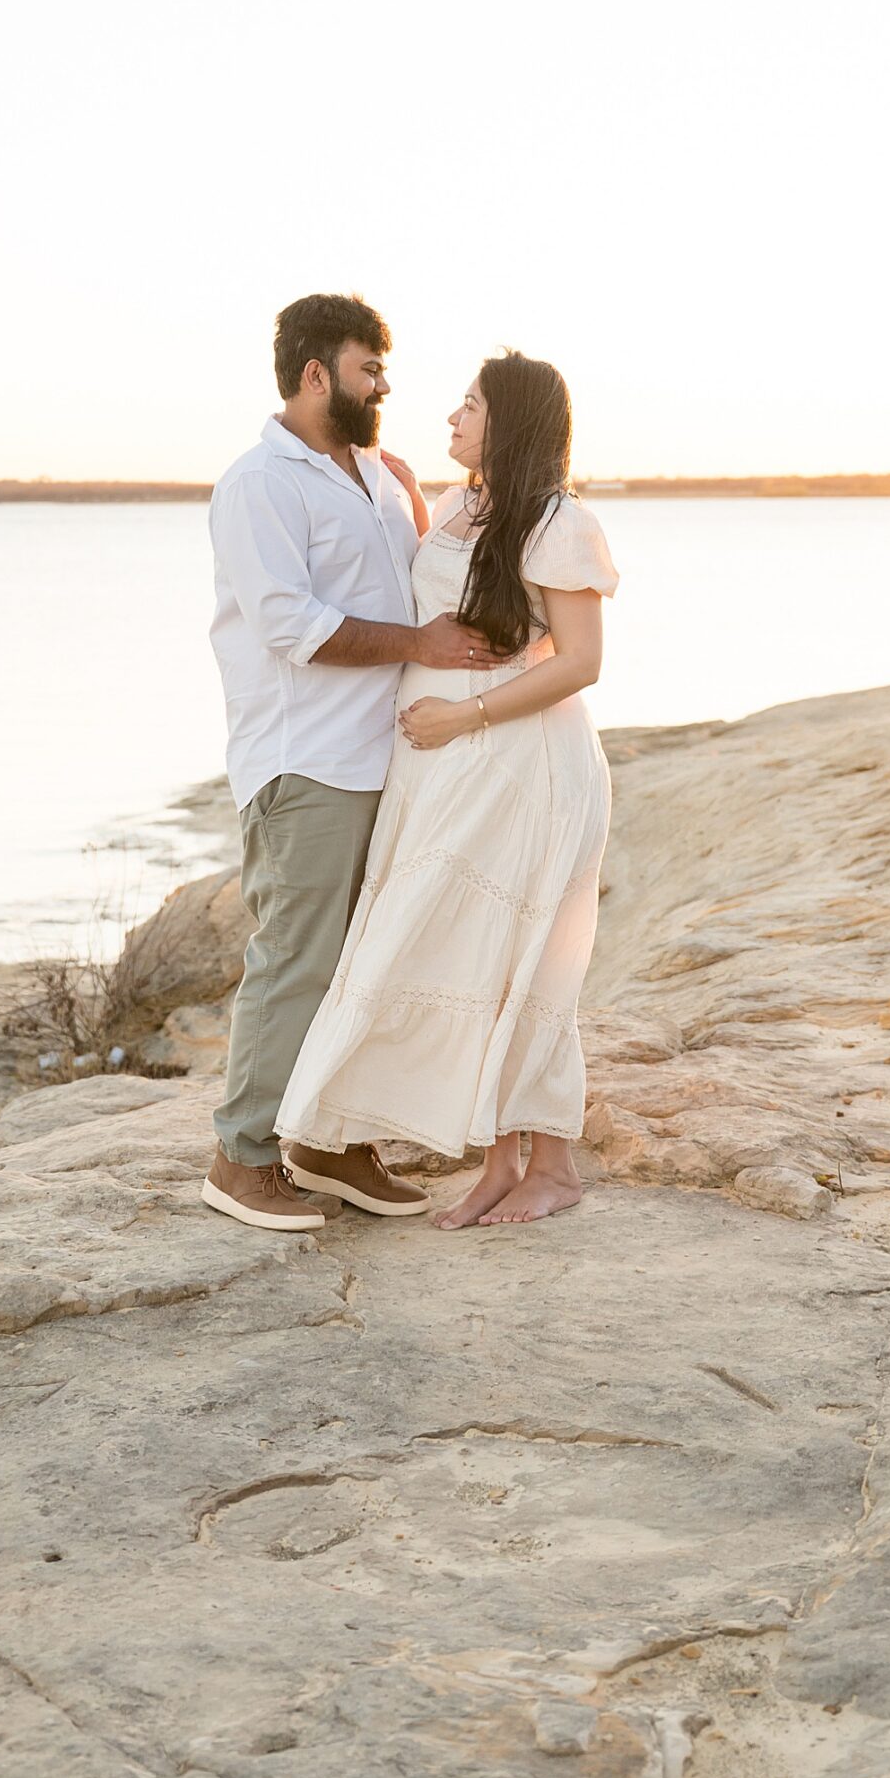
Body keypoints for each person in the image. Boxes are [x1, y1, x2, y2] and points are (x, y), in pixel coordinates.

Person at [277, 350, 618, 1226]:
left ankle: (555, 1167)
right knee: (469, 956)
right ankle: (499, 1161)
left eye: (469, 407)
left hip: (522, 767)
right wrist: (419, 510)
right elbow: (464, 600)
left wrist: (465, 720)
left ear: (512, 421)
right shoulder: (469, 508)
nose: (452, 419)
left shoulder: (558, 522)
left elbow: (580, 661)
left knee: (526, 962)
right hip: (443, 770)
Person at [203, 294, 496, 1232]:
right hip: (308, 761)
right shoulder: (260, 484)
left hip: (391, 759)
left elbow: (418, 575)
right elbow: (288, 625)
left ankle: (328, 1142)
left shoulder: (375, 473)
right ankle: (241, 1156)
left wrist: (416, 501)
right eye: (369, 369)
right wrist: (420, 643)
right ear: (316, 373)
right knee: (297, 961)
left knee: (369, 962)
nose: (384, 385)